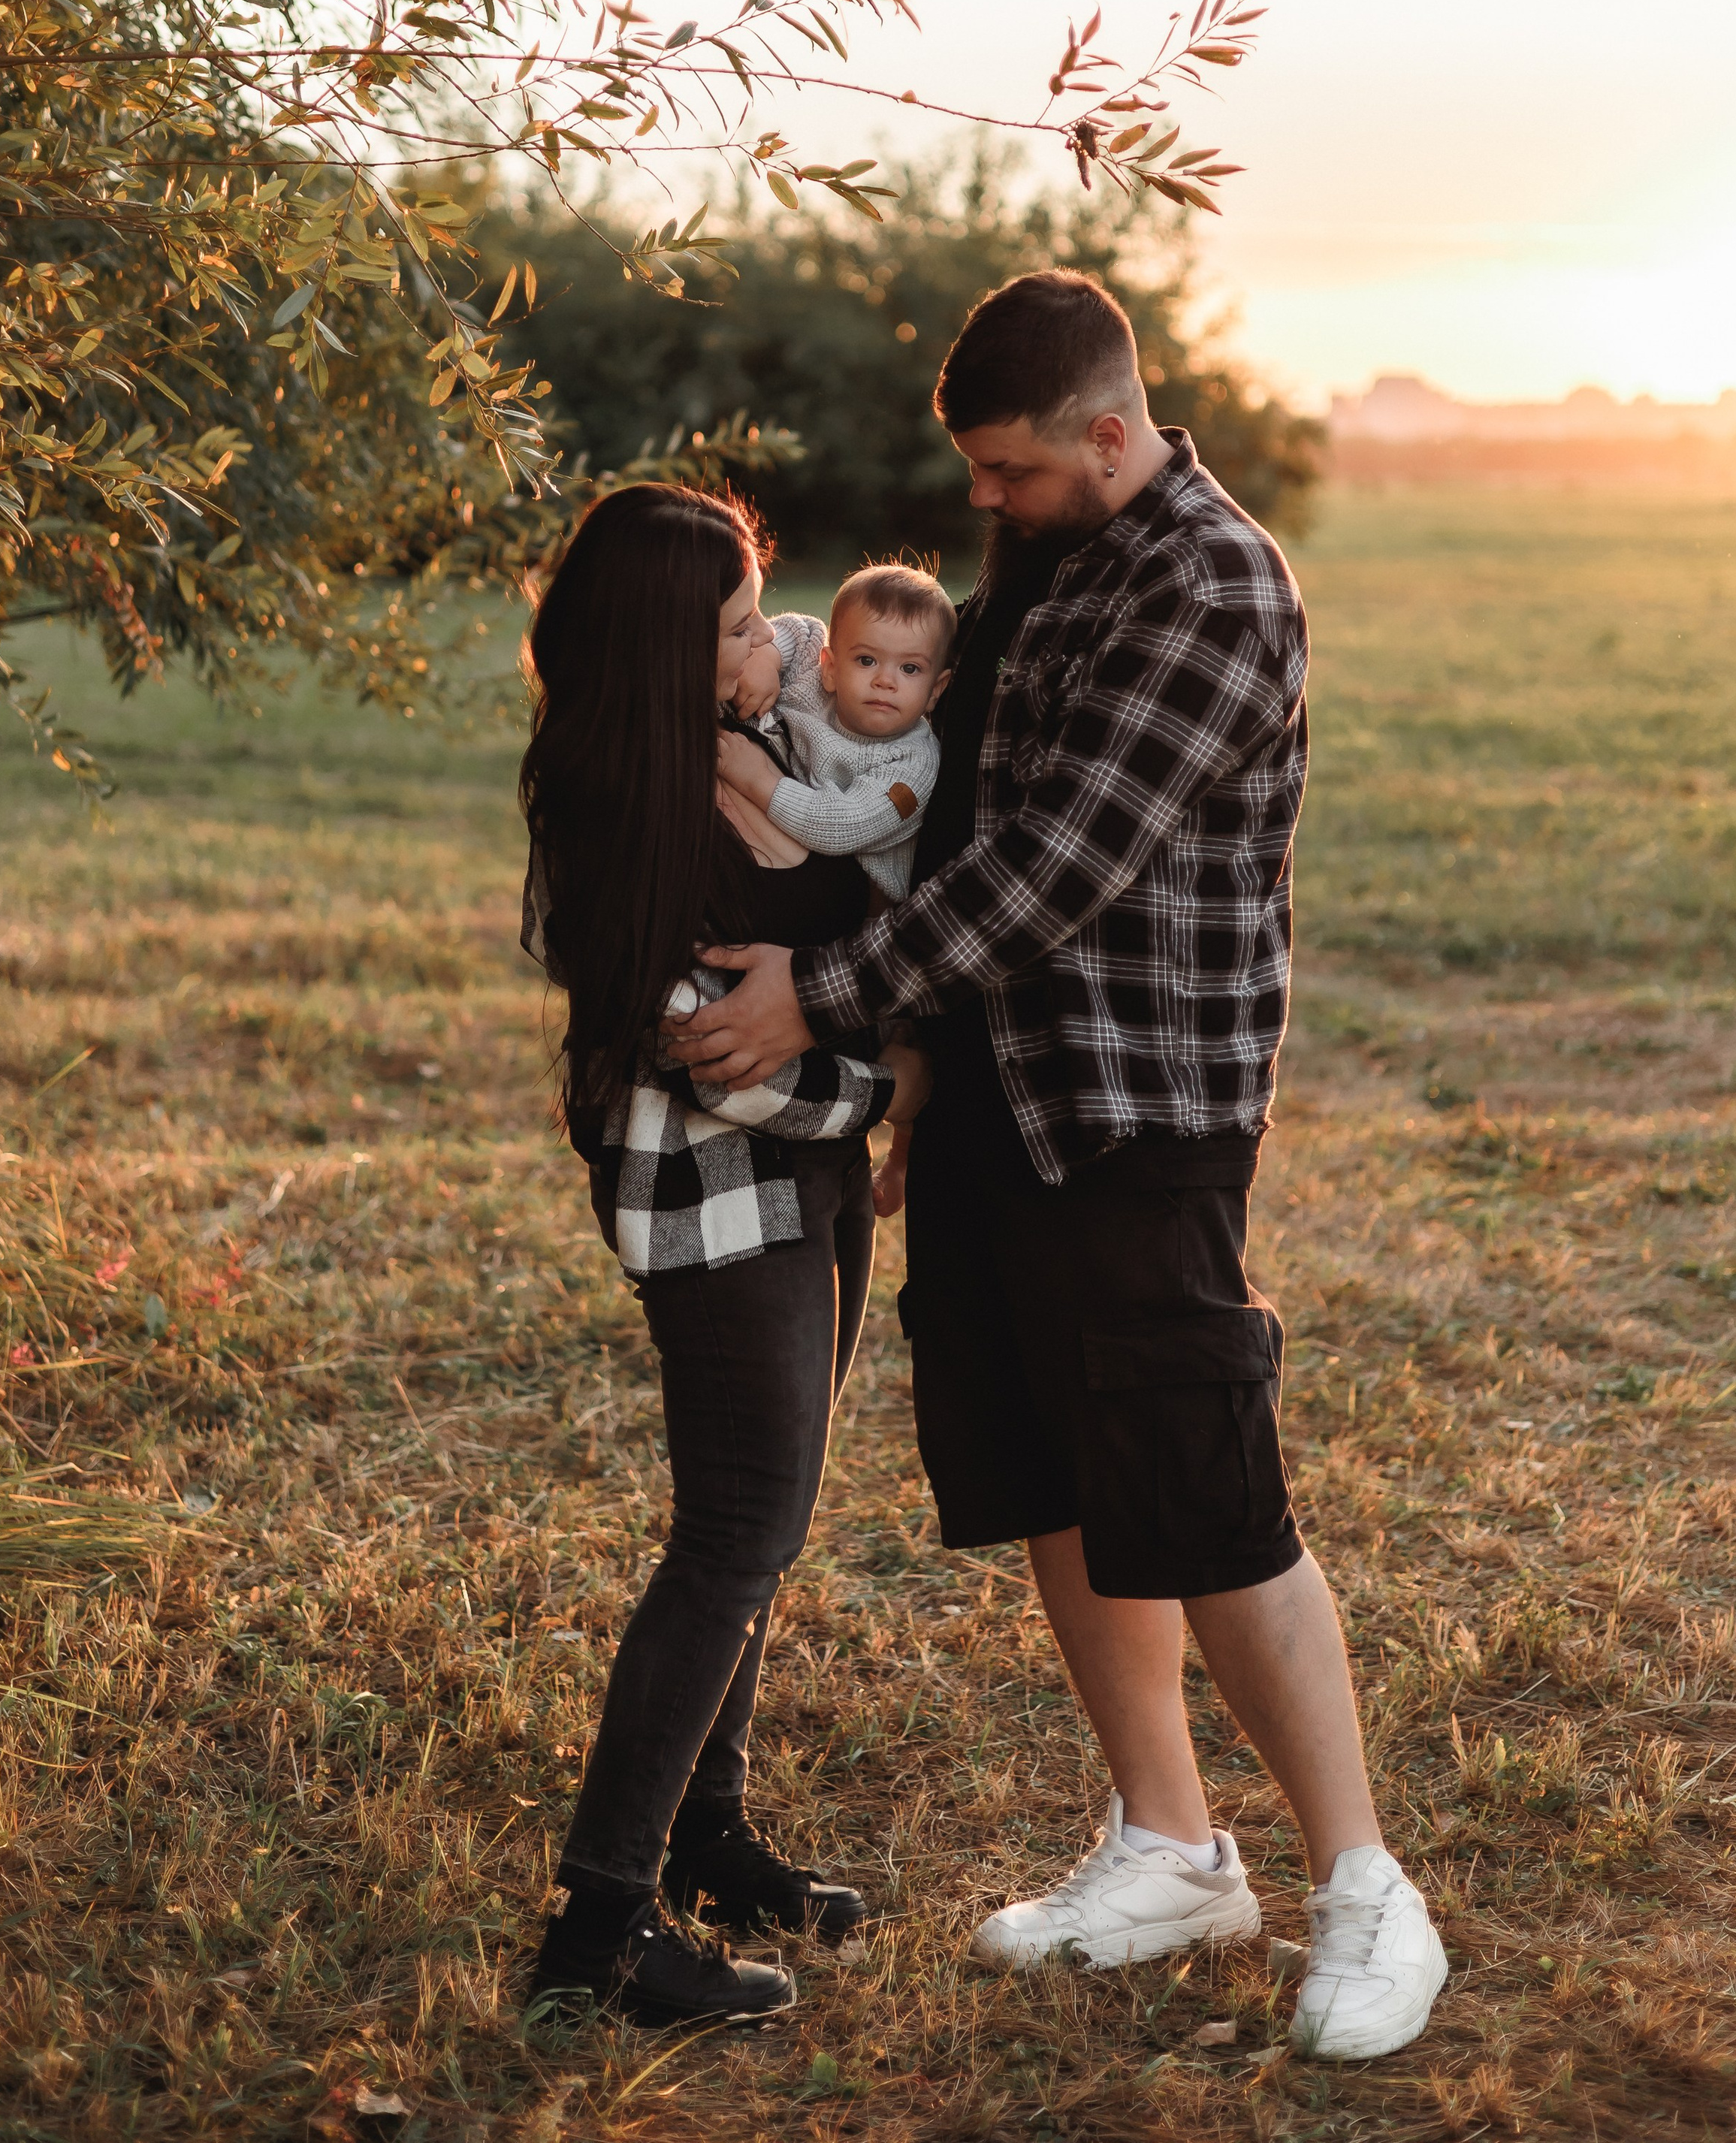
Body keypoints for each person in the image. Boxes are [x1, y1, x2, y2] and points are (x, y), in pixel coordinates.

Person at [667, 271, 1450, 2063]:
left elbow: (1055, 871)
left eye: (1009, 471)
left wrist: (830, 1000)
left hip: (1130, 1103)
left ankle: (1363, 1885)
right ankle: (1172, 1843)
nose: (981, 509)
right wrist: (919, 1054)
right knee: (1054, 1473)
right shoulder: (1053, 560)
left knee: (1204, 1482)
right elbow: (944, 803)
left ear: (1108, 433)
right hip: (993, 1100)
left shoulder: (1210, 585)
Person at [520, 481, 929, 2027]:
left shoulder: (739, 749)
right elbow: (723, 1062)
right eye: (745, 622)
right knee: (732, 1538)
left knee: (768, 1531)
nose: (778, 637)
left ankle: (706, 1838)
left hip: (805, 1189)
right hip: (720, 1201)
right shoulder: (640, 815)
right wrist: (888, 1092)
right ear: (665, 657)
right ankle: (598, 1929)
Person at [717, 563, 956, 897]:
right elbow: (805, 632)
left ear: (935, 691)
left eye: (910, 668)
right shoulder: (814, 683)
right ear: (829, 667)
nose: (885, 681)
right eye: (866, 660)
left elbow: (842, 824)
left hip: (853, 911)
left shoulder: (912, 765)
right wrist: (768, 656)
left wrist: (759, 780)